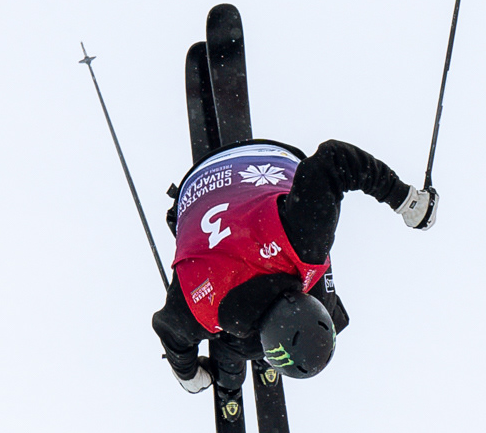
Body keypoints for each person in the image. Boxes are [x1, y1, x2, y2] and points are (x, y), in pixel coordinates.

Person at [151, 133, 438, 390]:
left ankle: (236, 365)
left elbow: (334, 160)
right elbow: (169, 329)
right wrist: (188, 376)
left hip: (256, 163)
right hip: (225, 178)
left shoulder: (305, 240)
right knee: (244, 343)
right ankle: (245, 358)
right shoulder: (199, 308)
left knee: (313, 282)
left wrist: (408, 200)